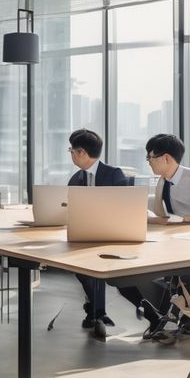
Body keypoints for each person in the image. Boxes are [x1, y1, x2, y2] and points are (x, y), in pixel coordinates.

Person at [122, 134, 190, 337]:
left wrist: (183, 219)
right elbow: (162, 217)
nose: (148, 162)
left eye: (150, 157)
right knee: (127, 270)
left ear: (166, 158)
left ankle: (187, 316)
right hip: (177, 241)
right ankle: (157, 314)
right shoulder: (163, 183)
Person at [65, 129, 129, 334]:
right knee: (80, 266)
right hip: (84, 235)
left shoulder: (113, 174)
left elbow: (124, 209)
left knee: (97, 270)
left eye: (72, 151)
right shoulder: (75, 179)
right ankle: (96, 310)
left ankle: (94, 311)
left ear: (81, 152)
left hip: (113, 235)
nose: (71, 155)